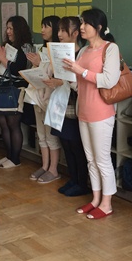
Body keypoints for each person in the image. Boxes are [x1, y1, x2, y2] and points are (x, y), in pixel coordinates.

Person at [62, 8, 121, 219]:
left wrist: (82, 71)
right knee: (90, 159)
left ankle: (107, 203)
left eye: (86, 23)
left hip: (102, 112)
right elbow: (80, 85)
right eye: (81, 22)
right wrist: (68, 75)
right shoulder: (83, 51)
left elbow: (109, 80)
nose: (82, 27)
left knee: (102, 159)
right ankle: (95, 199)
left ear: (98, 27)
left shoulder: (110, 49)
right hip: (84, 110)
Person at [46, 16, 90, 197]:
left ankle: (82, 183)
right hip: (61, 105)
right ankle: (73, 179)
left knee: (76, 146)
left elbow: (83, 81)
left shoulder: (83, 54)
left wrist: (62, 81)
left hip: (76, 105)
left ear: (75, 32)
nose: (60, 34)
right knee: (66, 143)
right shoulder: (59, 52)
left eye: (64, 30)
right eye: (59, 30)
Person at [25, 15, 63, 184]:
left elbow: (57, 73)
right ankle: (45, 165)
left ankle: (53, 169)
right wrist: (35, 65)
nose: (42, 30)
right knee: (41, 134)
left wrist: (40, 63)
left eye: (46, 26)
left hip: (51, 98)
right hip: (38, 96)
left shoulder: (59, 50)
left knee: (51, 135)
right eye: (42, 26)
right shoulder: (42, 49)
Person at [0, 15, 32, 169]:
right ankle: (8, 155)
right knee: (3, 123)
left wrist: (2, 59)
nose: (8, 31)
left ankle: (15, 158)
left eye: (11, 28)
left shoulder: (24, 48)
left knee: (13, 124)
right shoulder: (7, 45)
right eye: (7, 28)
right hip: (1, 88)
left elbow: (17, 70)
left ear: (19, 29)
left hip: (14, 89)